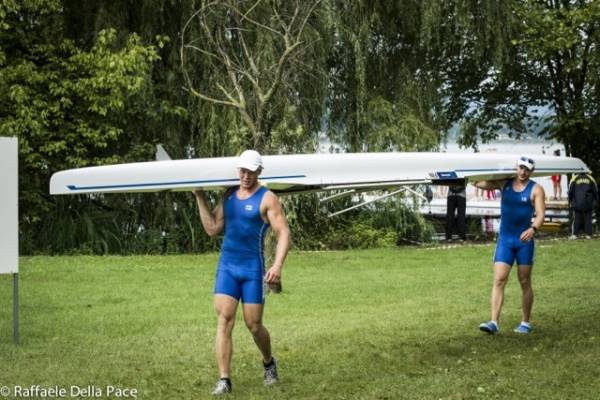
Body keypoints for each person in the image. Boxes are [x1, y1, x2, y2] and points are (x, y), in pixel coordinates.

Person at [193, 150, 290, 395]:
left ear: (259, 172)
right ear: (238, 170)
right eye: (242, 170)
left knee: (254, 324)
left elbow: (283, 234)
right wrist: (199, 195)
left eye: (251, 171)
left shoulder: (268, 199)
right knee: (224, 319)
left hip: (251, 268)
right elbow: (213, 229)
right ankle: (224, 379)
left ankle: (268, 362)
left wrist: (277, 266)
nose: (245, 176)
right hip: (227, 266)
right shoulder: (229, 196)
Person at [475, 156, 545, 335]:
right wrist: (468, 177)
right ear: (516, 168)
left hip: (524, 241)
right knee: (499, 279)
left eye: (527, 169)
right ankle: (493, 323)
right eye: (521, 168)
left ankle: (525, 322)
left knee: (524, 281)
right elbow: (479, 183)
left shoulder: (536, 189)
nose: (523, 172)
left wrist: (533, 229)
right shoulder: (504, 184)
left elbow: (540, 214)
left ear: (531, 172)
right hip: (505, 240)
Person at [568, 172, 598, 239]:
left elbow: (570, 191)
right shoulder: (591, 178)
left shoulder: (574, 178)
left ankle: (575, 234)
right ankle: (588, 234)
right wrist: (595, 200)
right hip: (588, 203)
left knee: (576, 219)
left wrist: (570, 201)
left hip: (577, 202)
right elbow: (595, 190)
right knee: (588, 219)